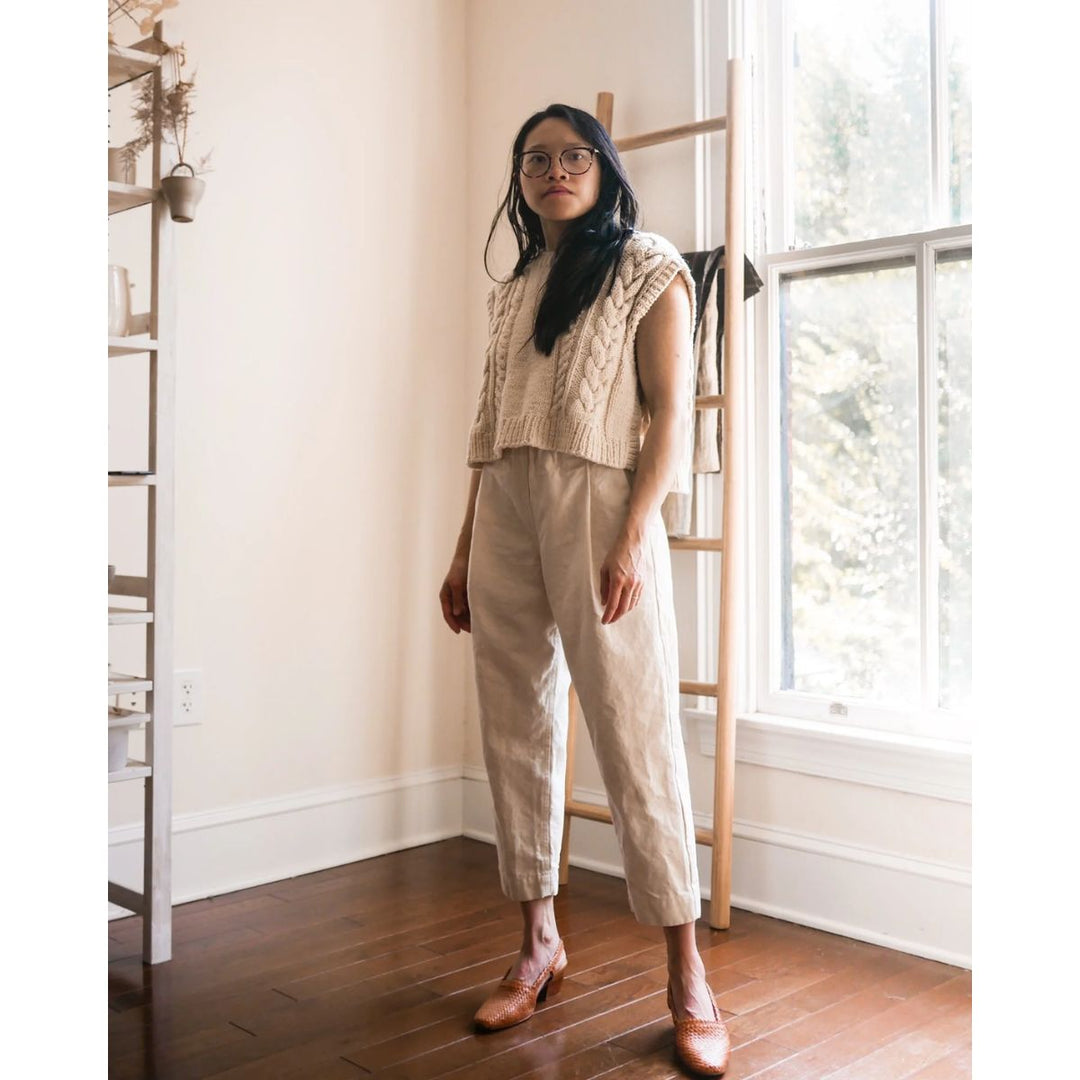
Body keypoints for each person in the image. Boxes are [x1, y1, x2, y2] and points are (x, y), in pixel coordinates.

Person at [439, 103, 730, 1076]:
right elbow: (488, 434)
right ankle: (538, 942)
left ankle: (687, 973)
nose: (553, 169)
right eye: (535, 159)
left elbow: (669, 421)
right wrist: (460, 548)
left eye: (572, 155)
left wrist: (636, 533)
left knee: (636, 725)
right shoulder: (513, 287)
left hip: (600, 504)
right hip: (507, 508)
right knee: (513, 721)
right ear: (519, 181)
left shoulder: (651, 265)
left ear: (602, 167)